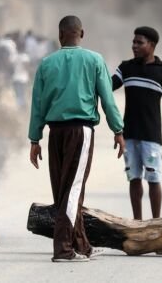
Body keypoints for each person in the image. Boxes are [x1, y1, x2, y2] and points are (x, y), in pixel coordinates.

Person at [28, 15, 125, 263]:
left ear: (60, 35)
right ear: (81, 33)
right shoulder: (94, 60)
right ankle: (63, 250)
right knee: (72, 190)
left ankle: (82, 245)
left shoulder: (47, 63)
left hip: (55, 132)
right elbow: (107, 98)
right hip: (80, 131)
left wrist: (35, 139)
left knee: (65, 189)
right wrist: (118, 130)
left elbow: (37, 104)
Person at [111, 26, 162, 220]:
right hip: (129, 135)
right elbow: (108, 86)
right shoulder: (126, 68)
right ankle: (137, 223)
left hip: (151, 136)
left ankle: (156, 223)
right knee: (133, 178)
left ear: (151, 45)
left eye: (139, 42)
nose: (134, 46)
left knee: (153, 179)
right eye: (133, 42)